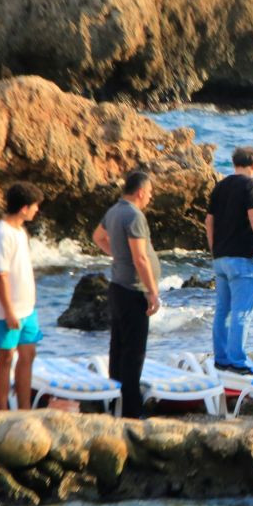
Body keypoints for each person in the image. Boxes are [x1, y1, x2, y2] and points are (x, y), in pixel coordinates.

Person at [93, 171, 161, 419]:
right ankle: (132, 409)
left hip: (117, 287)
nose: (151, 197)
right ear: (140, 192)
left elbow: (98, 237)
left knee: (118, 348)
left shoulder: (113, 211)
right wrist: (152, 292)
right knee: (134, 351)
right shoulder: (134, 215)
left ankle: (115, 403)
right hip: (133, 289)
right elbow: (140, 257)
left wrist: (116, 255)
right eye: (150, 192)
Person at [205, 146, 253, 374]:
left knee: (222, 310)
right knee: (242, 311)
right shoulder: (251, 184)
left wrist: (214, 249)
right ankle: (237, 362)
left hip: (220, 257)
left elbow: (208, 221)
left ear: (235, 163)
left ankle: (221, 359)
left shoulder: (220, 185)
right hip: (241, 259)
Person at [0, 182, 45, 410]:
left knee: (28, 354)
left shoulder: (20, 231)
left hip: (28, 308)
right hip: (5, 309)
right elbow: (0, 275)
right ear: (24, 208)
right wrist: (9, 311)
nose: (37, 210)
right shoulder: (2, 234)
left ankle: (24, 408)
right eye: (35, 206)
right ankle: (1, 408)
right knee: (6, 356)